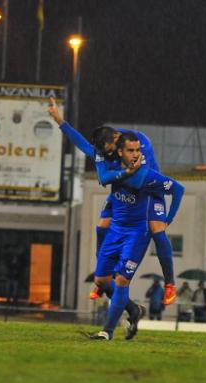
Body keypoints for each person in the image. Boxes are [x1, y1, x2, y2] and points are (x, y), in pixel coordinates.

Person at [48, 98, 178, 305]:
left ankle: (170, 283)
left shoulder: (137, 142)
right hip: (124, 191)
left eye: (109, 150)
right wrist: (60, 121)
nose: (107, 154)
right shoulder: (108, 149)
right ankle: (102, 277)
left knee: (157, 230)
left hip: (148, 191)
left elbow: (143, 174)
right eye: (106, 151)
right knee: (102, 226)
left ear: (117, 140)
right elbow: (83, 145)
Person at [90, 132, 185, 340]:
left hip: (136, 234)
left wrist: (168, 218)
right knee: (102, 279)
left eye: (138, 150)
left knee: (124, 279)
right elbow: (101, 174)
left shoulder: (147, 175)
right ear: (119, 151)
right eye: (131, 150)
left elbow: (178, 188)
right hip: (116, 230)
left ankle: (107, 331)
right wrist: (61, 123)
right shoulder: (112, 165)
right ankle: (134, 310)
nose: (135, 154)